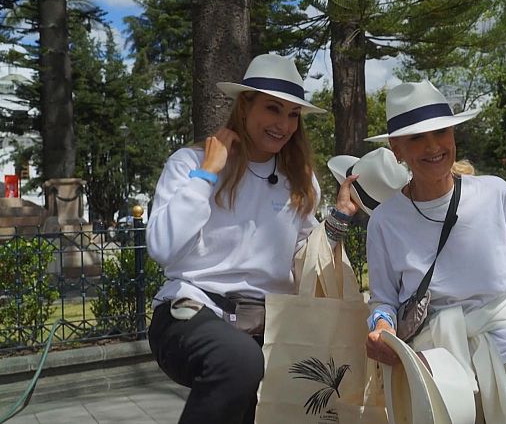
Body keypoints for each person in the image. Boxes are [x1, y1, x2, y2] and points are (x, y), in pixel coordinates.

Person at [145, 53, 360, 424]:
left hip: (270, 326)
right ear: (244, 106)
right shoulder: (189, 163)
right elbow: (162, 248)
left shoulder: (300, 179)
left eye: (293, 114)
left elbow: (304, 257)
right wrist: (208, 173)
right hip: (192, 311)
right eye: (273, 109)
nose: (284, 124)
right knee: (240, 363)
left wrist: (339, 219)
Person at [363, 80, 506, 424]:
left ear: (453, 134)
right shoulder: (384, 221)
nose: (433, 146)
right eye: (416, 138)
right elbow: (384, 300)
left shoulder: (496, 194)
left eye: (440, 133)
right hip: (435, 365)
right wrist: (382, 327)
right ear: (396, 149)